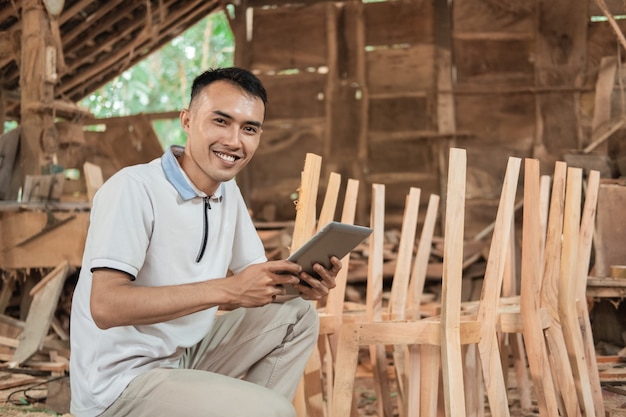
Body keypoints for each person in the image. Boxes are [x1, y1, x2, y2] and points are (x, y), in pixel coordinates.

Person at [69, 67, 341, 417]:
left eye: (249, 129)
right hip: (120, 384)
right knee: (274, 411)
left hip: (183, 358)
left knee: (298, 315)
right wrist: (227, 290)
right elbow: (105, 306)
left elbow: (256, 282)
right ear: (187, 120)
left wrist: (302, 283)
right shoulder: (134, 188)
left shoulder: (227, 193)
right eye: (221, 121)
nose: (234, 141)